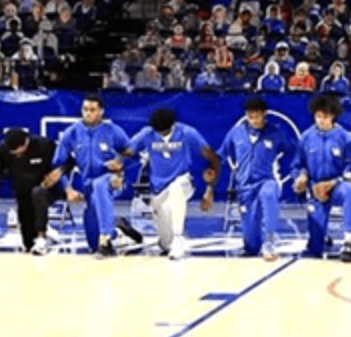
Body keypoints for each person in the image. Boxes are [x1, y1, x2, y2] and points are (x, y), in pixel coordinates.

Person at [46, 95, 140, 256]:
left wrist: (121, 168)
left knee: (100, 185)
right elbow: (58, 166)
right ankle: (116, 229)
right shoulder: (72, 133)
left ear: (101, 112)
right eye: (85, 110)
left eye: (92, 110)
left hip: (111, 180)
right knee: (92, 243)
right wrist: (68, 189)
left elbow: (134, 155)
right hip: (87, 185)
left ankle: (105, 240)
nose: (88, 113)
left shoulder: (113, 131)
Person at [129, 108, 219, 260]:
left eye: (166, 131)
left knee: (176, 190)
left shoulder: (187, 133)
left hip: (183, 181)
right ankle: (169, 240)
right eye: (159, 132)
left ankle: (178, 238)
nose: (162, 134)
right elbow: (126, 150)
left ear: (172, 125)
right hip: (158, 190)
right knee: (165, 244)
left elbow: (212, 157)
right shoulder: (146, 134)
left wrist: (209, 190)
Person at [217, 97, 295, 261]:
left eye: (257, 116)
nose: (253, 120)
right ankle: (254, 243)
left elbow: (294, 152)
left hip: (267, 180)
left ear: (264, 114)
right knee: (251, 246)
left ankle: (269, 242)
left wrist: (292, 172)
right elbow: (222, 152)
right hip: (245, 187)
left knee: (269, 196)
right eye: (250, 116)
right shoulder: (236, 132)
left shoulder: (276, 133)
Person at [290, 95, 351, 261]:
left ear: (333, 116)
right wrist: (301, 177)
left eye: (326, 116)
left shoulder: (345, 137)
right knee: (315, 248)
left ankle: (348, 241)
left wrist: (333, 182)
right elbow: (296, 165)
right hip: (316, 189)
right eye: (318, 116)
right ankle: (321, 236)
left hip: (338, 186)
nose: (322, 120)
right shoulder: (306, 137)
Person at [0, 129, 78, 254]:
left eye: (17, 152)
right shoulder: (4, 150)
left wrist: (59, 171)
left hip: (48, 189)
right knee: (28, 243)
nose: (16, 155)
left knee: (38, 193)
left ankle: (42, 236)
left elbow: (69, 162)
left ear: (24, 144)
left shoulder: (45, 145)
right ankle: (31, 239)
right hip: (22, 191)